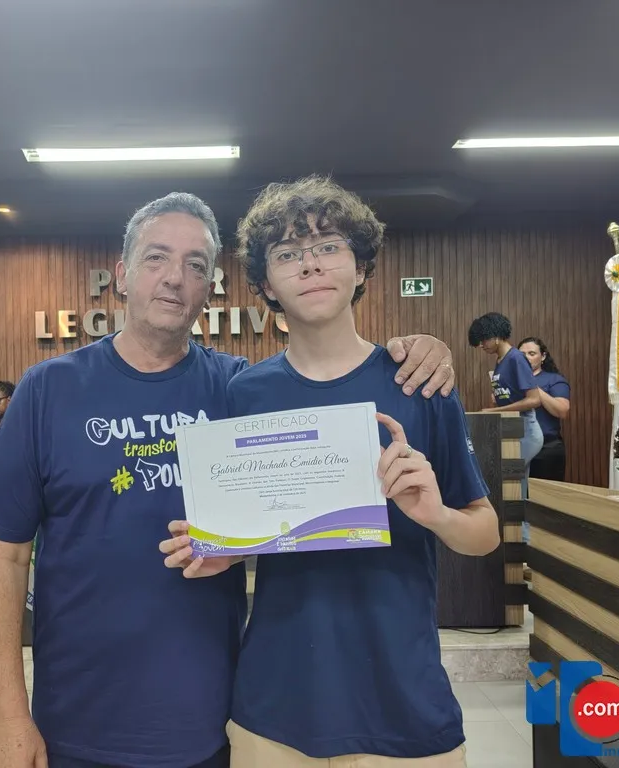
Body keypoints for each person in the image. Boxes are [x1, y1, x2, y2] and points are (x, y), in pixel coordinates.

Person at [0, 190, 460, 768]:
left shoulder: (241, 392)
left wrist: (423, 350)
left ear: (210, 287)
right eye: (156, 257)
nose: (175, 277)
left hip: (213, 720)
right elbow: (3, 559)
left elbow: (323, 421)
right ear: (122, 275)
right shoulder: (48, 389)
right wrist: (8, 717)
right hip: (76, 719)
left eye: (195, 265)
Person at [160, 176, 497, 767]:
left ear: (361, 267)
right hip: (277, 704)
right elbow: (255, 525)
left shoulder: (419, 382)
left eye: (328, 246)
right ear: (266, 284)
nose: (311, 264)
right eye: (288, 253)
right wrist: (222, 549)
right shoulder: (245, 394)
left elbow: (484, 532)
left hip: (403, 699)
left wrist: (436, 514)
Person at [468, 313, 543, 484]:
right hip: (512, 428)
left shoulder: (516, 358)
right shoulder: (501, 361)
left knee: (505, 479)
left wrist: (493, 411)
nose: (481, 345)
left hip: (525, 430)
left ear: (496, 336)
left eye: (484, 340)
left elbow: (534, 400)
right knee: (516, 484)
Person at [517, 337, 570, 481]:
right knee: (516, 492)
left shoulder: (554, 380)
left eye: (532, 353)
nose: (526, 358)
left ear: (543, 356)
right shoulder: (513, 380)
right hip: (516, 446)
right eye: (522, 355)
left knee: (545, 494)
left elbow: (562, 411)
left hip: (546, 450)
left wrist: (532, 386)